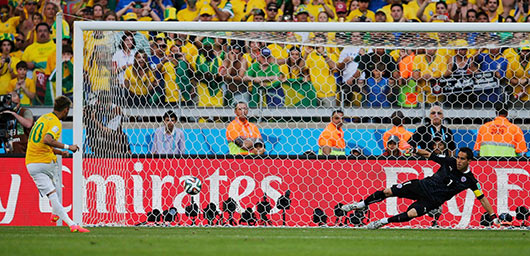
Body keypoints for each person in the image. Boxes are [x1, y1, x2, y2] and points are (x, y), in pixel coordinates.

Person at [342, 147, 501, 229]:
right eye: (458, 157)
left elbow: (482, 198)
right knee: (388, 191)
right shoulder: (449, 162)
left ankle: (381, 222)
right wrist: (415, 151)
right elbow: (429, 155)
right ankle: (360, 204)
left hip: (433, 200)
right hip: (421, 186)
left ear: (469, 161)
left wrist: (493, 216)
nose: (458, 161)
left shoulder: (471, 181)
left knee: (411, 214)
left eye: (462, 159)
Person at [25, 96, 89, 233]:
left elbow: (40, 142)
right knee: (55, 190)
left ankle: (55, 213)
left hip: (32, 162)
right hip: (44, 162)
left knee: (55, 187)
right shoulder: (55, 123)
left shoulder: (43, 118)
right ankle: (71, 223)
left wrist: (60, 152)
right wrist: (68, 146)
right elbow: (47, 139)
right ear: (65, 110)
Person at [84, 91, 131, 157]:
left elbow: (109, 132)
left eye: (104, 104)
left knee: (121, 137)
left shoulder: (116, 110)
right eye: (100, 103)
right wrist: (86, 115)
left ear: (109, 102)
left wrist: (94, 120)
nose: (101, 106)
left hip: (114, 140)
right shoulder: (96, 108)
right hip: (98, 139)